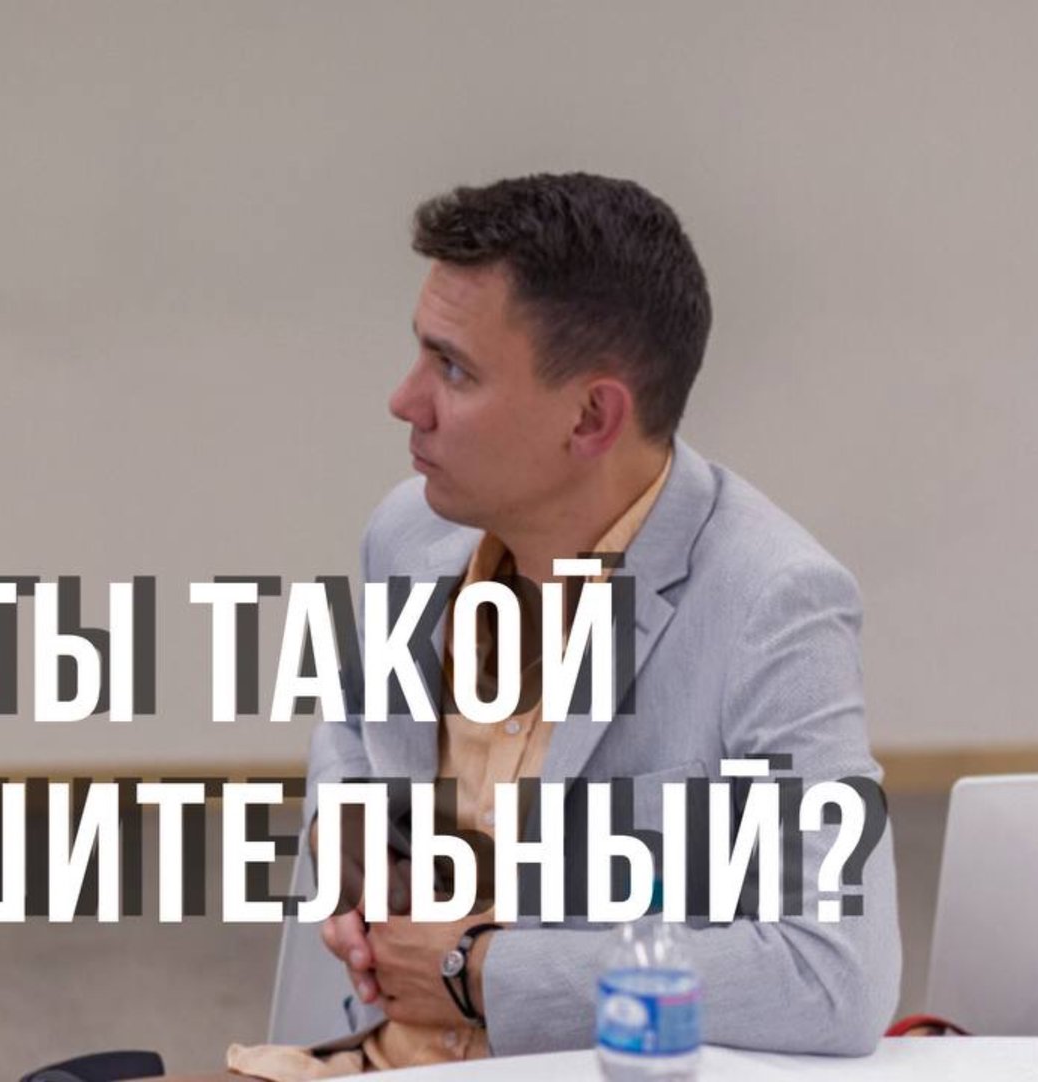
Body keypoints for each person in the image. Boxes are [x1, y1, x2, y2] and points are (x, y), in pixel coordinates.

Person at [227, 173, 900, 1079]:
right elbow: (350, 724)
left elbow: (835, 972)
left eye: (453, 369)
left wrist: (478, 970)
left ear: (591, 417)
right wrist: (349, 827)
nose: (405, 400)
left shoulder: (771, 602)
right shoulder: (410, 532)